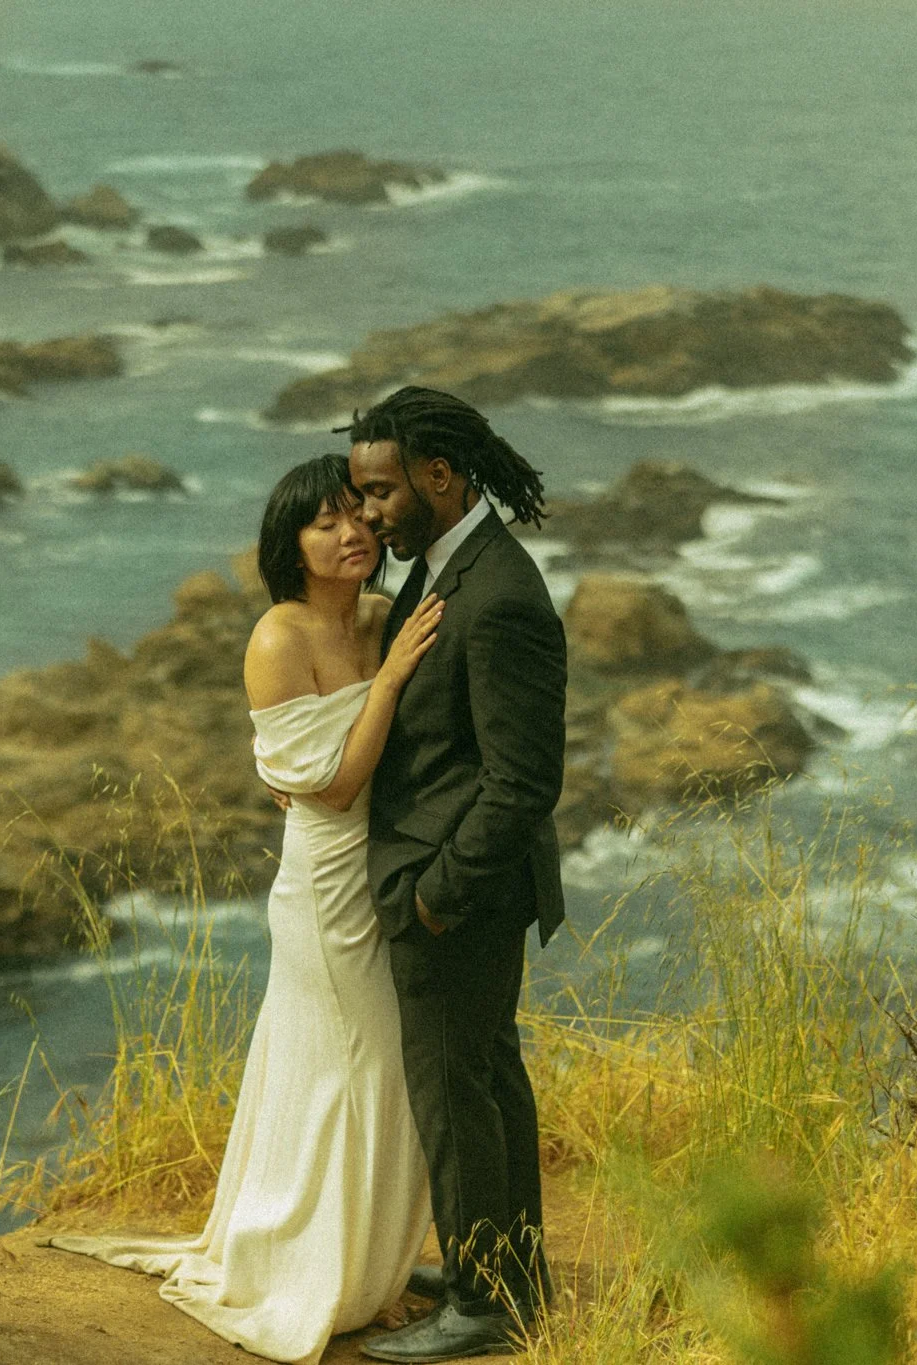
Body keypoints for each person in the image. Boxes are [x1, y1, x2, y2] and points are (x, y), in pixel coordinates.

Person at [50, 453, 446, 1365]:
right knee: (350, 1068)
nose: (350, 532)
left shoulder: (383, 617)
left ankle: (363, 1272)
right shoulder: (278, 636)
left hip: (388, 871)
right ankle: (315, 1274)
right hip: (327, 887)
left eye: (358, 514)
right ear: (290, 545)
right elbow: (334, 787)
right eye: (324, 522)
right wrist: (386, 684)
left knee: (381, 1073)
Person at [345, 387, 568, 1364]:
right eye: (360, 493)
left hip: (460, 894)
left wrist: (436, 897)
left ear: (440, 475)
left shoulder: (499, 596)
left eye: (380, 492)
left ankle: (484, 1304)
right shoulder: (444, 567)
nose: (367, 514)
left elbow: (522, 782)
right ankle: (509, 1272)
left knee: (454, 1092)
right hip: (459, 887)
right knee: (485, 1077)